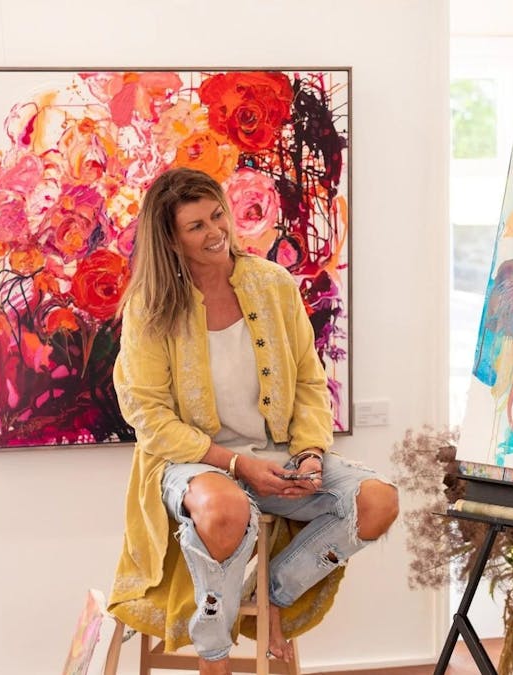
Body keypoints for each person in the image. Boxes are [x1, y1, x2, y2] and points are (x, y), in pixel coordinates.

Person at [106, 167, 399, 675]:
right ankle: (214, 656)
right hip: (190, 463)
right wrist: (237, 465)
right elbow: (149, 417)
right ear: (170, 239)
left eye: (217, 215)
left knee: (377, 501)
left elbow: (309, 381)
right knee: (224, 509)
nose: (216, 231)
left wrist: (309, 452)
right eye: (196, 225)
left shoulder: (273, 284)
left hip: (278, 455)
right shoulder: (150, 308)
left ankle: (274, 595)